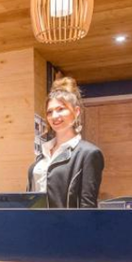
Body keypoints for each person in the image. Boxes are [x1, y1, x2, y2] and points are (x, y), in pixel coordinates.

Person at [27, 77, 104, 208]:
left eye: (60, 109)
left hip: (66, 222)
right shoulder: (42, 155)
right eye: (50, 112)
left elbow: (88, 207)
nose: (54, 116)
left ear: (76, 111)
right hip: (35, 221)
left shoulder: (89, 154)